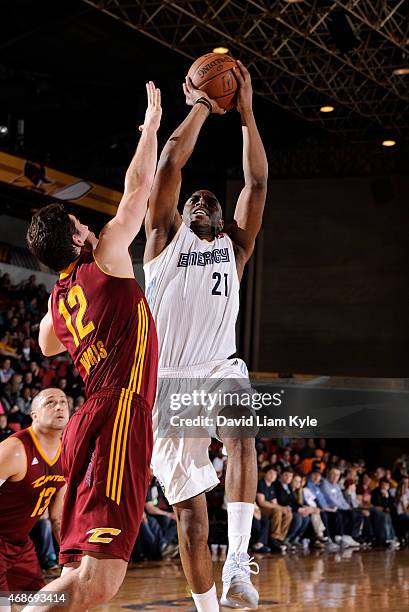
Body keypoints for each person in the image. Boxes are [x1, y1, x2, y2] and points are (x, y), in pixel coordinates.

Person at [23, 82, 161, 612]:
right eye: (82, 222)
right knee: (98, 582)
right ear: (80, 238)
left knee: (84, 575)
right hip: (120, 409)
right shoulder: (104, 257)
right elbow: (137, 190)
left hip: (90, 419)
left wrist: (59, 277)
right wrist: (148, 130)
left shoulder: (57, 305)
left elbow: (45, 344)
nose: (90, 224)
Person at [144, 62, 267, 610]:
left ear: (223, 219)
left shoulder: (234, 251)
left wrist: (245, 113)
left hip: (219, 368)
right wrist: (201, 104)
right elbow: (170, 162)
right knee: (190, 519)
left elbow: (257, 182)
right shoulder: (161, 240)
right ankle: (208, 607)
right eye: (193, 198)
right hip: (166, 385)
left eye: (210, 201)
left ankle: (239, 557)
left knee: (242, 434)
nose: (200, 200)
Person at [0, 388, 69, 593]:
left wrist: (73, 558)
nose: (59, 406)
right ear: (34, 415)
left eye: (63, 402)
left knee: (36, 603)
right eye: (50, 402)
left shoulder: (66, 454)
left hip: (21, 545)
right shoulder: (14, 449)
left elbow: (57, 518)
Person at [256, 465, 291, 552]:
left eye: (275, 474)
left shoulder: (272, 487)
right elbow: (262, 502)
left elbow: (275, 502)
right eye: (270, 473)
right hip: (261, 508)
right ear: (265, 474)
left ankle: (280, 538)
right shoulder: (261, 483)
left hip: (270, 508)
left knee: (288, 514)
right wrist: (280, 508)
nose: (273, 475)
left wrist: (283, 509)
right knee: (277, 510)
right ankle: (274, 538)